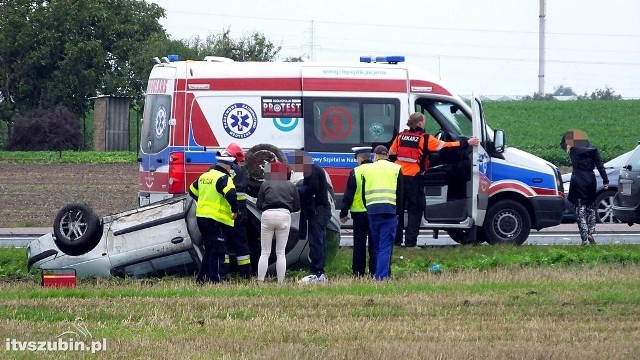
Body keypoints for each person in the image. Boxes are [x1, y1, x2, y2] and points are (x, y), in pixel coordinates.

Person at [389, 112, 480, 248]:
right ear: (420, 123)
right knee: (416, 209)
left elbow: (391, 153)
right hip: (414, 179)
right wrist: (467, 142)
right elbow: (446, 146)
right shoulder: (425, 139)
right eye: (424, 121)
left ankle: (395, 242)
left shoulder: (400, 137)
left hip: (398, 177)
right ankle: (410, 244)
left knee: (398, 210)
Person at [188, 155, 238, 284]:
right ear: (227, 165)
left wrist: (203, 201)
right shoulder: (224, 178)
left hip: (202, 217)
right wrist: (235, 210)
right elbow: (231, 194)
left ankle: (202, 278)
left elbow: (192, 191)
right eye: (231, 167)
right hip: (217, 219)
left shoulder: (204, 176)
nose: (231, 169)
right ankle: (216, 279)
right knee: (218, 250)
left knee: (209, 249)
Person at [360, 145, 403, 281]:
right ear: (387, 155)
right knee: (385, 246)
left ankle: (377, 274)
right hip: (390, 210)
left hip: (372, 210)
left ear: (376, 155)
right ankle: (381, 277)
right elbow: (401, 193)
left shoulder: (367, 169)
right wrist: (398, 212)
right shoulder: (396, 168)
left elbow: (363, 193)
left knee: (377, 244)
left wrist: (368, 208)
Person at [561, 130, 608, 245]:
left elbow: (562, 142)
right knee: (591, 207)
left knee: (579, 209)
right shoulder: (593, 150)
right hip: (590, 180)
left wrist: (570, 135)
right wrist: (605, 180)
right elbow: (600, 165)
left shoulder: (572, 149)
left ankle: (584, 238)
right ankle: (591, 233)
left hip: (578, 179)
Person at [256, 161, 301, 283]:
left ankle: (260, 280)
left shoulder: (265, 184)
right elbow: (297, 206)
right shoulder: (291, 185)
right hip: (284, 215)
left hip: (267, 215)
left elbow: (259, 204)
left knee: (265, 251)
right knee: (280, 252)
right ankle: (280, 282)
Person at [295, 151, 332, 283]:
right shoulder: (314, 169)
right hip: (320, 209)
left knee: (316, 241)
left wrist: (297, 189)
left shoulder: (311, 170)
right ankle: (318, 270)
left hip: (318, 210)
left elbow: (312, 188)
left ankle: (317, 272)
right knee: (318, 240)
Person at [340, 146, 376, 277]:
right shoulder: (377, 171)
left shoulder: (356, 171)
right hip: (374, 212)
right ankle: (374, 271)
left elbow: (349, 194)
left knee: (359, 245)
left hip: (359, 213)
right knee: (374, 243)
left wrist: (343, 213)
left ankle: (358, 273)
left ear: (360, 158)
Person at [222, 143, 251, 279]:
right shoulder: (239, 170)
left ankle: (223, 274)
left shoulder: (215, 169)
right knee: (241, 245)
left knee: (224, 244)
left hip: (221, 213)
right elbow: (244, 188)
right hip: (238, 212)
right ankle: (245, 275)